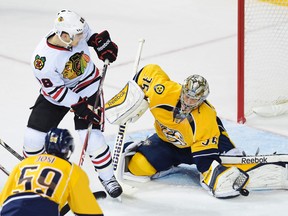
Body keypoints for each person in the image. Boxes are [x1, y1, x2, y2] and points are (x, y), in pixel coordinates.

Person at [105, 64, 288, 198]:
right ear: (182, 89)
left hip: (204, 144)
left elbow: (204, 161)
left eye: (195, 100)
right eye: (187, 95)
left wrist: (212, 172)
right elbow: (149, 71)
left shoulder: (205, 117)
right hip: (168, 143)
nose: (189, 102)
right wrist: (131, 98)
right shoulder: (162, 92)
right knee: (137, 166)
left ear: (202, 100)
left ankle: (280, 166)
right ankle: (166, 160)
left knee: (230, 167)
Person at [23, 9, 122, 198]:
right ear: (63, 35)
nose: (81, 37)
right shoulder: (42, 61)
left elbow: (89, 33)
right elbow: (56, 91)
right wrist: (80, 106)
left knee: (92, 138)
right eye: (77, 36)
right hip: (58, 94)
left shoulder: (75, 31)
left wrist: (98, 42)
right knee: (32, 141)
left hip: (88, 86)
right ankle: (36, 175)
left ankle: (108, 178)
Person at [0, 128, 103, 216]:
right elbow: (88, 211)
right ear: (68, 149)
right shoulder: (71, 169)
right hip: (44, 208)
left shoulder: (25, 163)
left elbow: (3, 198)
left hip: (11, 207)